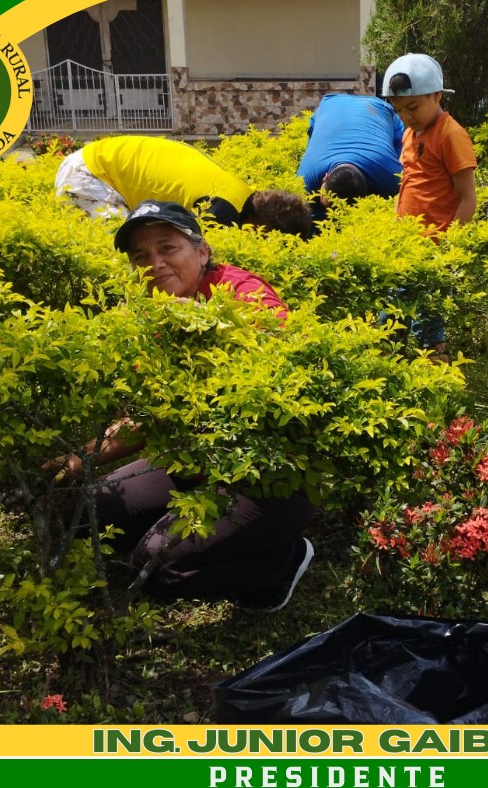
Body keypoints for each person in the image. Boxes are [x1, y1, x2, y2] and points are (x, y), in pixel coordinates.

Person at [47, 200, 315, 611]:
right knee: (84, 513)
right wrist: (78, 461)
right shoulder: (156, 313)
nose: (155, 264)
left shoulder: (240, 289)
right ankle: (199, 537)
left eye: (167, 248)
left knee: (156, 569)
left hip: (267, 478)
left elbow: (288, 353)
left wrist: (205, 325)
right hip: (194, 463)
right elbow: (145, 418)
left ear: (202, 251)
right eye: (141, 256)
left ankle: (284, 561)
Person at [381, 52, 478, 360]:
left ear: (437, 95)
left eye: (412, 107)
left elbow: (468, 198)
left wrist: (448, 248)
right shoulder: (410, 133)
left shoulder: (451, 135)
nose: (406, 116)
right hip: (405, 247)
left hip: (433, 249)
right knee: (388, 322)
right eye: (398, 110)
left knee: (428, 326)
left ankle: (438, 381)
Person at [55, 135, 313, 239]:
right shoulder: (222, 211)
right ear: (265, 227)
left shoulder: (240, 192)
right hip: (90, 174)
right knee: (125, 251)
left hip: (99, 159)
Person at [296, 93, 404, 220]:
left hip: (379, 109)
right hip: (330, 105)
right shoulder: (306, 175)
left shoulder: (392, 177)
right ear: (325, 178)